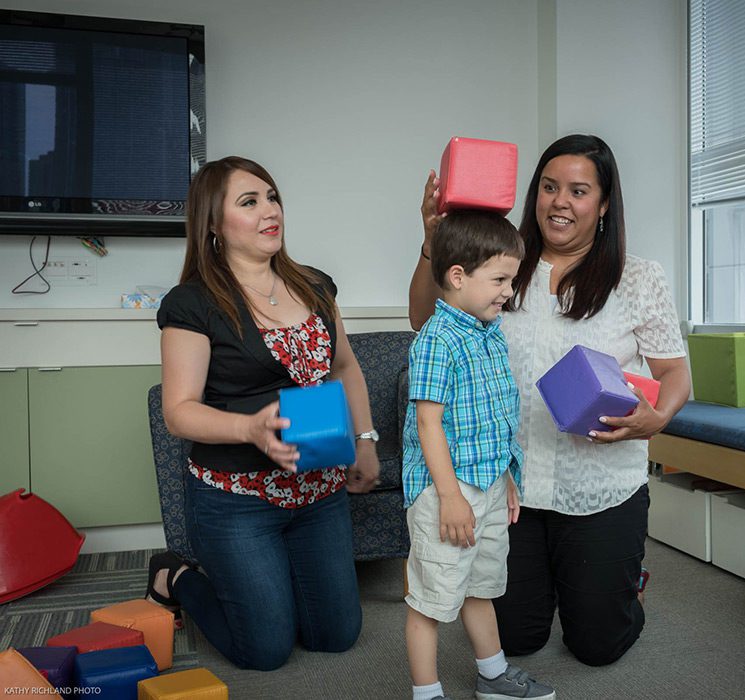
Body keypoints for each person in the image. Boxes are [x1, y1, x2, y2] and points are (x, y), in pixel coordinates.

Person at [409, 135, 691, 667]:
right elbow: (427, 321)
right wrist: (432, 241)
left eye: (578, 191)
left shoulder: (637, 277)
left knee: (597, 646)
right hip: (511, 487)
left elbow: (675, 372)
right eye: (548, 187)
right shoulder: (501, 263)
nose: (559, 201)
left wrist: (657, 418)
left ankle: (624, 587)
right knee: (517, 638)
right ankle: (571, 583)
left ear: (604, 204)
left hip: (600, 486)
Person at [145, 155, 380, 671]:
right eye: (249, 202)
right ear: (212, 223)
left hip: (319, 491)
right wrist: (249, 428)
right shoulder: (192, 303)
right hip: (236, 501)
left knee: (336, 635)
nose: (270, 210)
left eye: (272, 197)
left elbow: (344, 368)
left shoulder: (316, 286)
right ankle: (175, 576)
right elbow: (178, 412)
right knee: (265, 651)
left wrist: (365, 440)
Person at [403, 209, 555, 700]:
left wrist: (508, 475)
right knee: (430, 600)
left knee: (481, 587)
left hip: (488, 484)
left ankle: (493, 676)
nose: (508, 291)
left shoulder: (489, 333)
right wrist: (449, 496)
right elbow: (428, 423)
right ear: (457, 276)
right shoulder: (437, 340)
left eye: (511, 279)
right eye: (500, 279)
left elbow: (497, 413)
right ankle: (426, 693)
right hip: (447, 490)